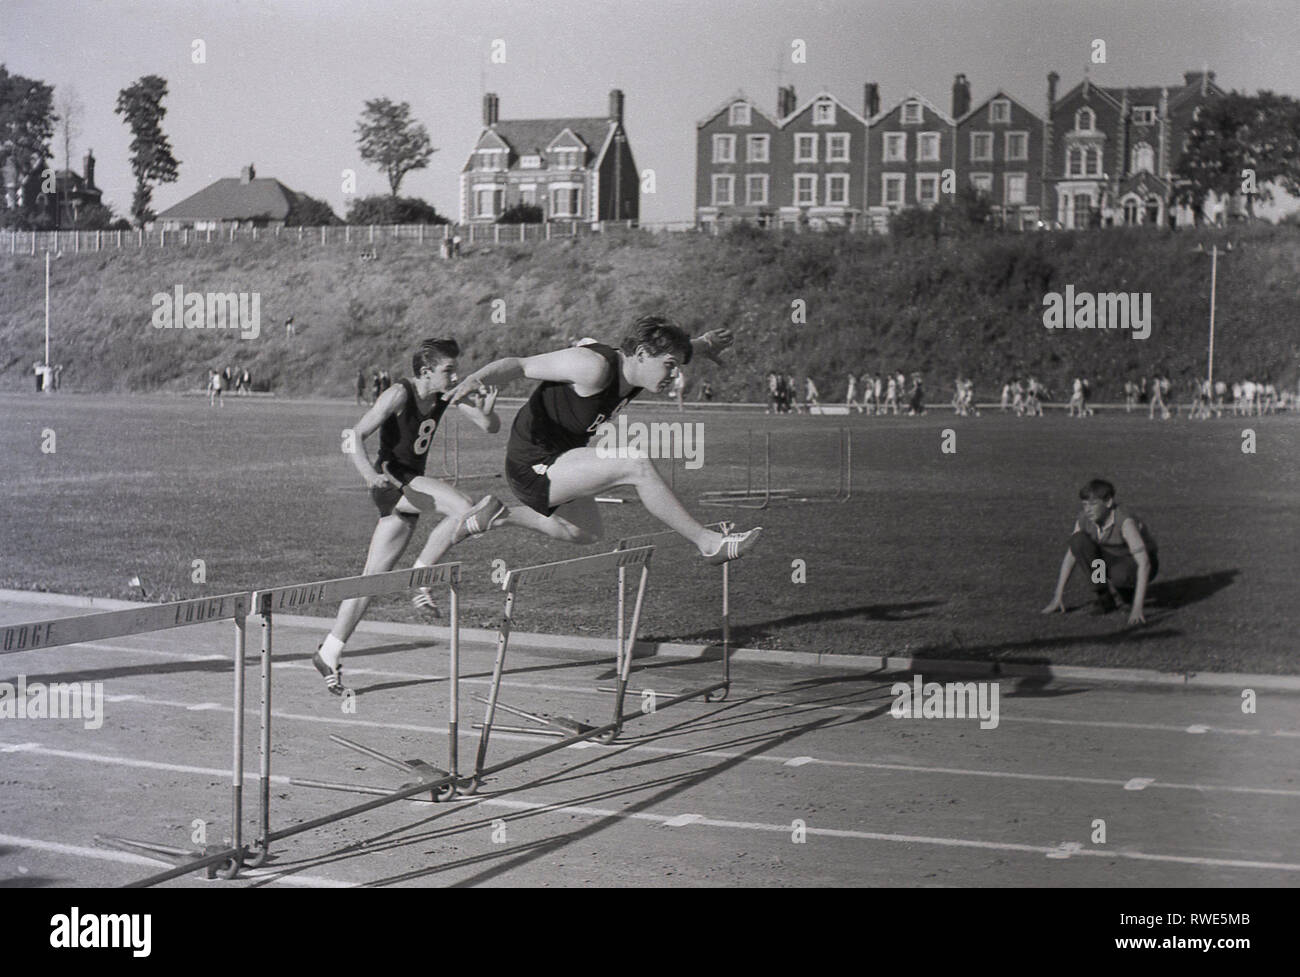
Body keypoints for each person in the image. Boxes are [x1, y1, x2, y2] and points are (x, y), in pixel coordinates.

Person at [444, 314, 762, 569]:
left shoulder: (641, 369)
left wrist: (705, 343)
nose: (673, 375)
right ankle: (709, 543)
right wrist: (478, 379)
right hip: (532, 463)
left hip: (565, 457)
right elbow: (521, 364)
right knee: (634, 463)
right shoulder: (593, 367)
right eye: (669, 365)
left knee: (585, 532)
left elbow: (679, 350)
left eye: (676, 366)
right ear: (640, 354)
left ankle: (496, 516)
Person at [312, 337, 501, 696]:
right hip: (395, 481)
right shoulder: (399, 393)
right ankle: (421, 577)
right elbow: (354, 435)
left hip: (409, 489)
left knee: (371, 579)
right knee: (465, 506)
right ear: (426, 371)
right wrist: (370, 477)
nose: (455, 374)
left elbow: (490, 427)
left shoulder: (445, 394)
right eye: (448, 370)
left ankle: (329, 651)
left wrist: (487, 411)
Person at [1042, 478, 1158, 626]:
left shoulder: (1125, 522)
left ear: (1108, 502)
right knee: (1078, 541)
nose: (1087, 510)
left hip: (1138, 562)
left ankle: (1128, 593)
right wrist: (1057, 596)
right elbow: (1072, 555)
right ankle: (1104, 597)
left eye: (1093, 504)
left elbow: (1145, 563)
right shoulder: (1084, 519)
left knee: (1121, 576)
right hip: (1113, 559)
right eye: (1084, 505)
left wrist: (1137, 609)